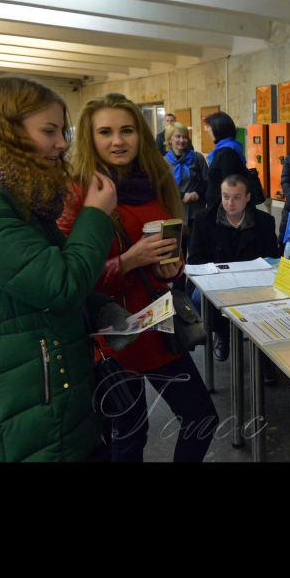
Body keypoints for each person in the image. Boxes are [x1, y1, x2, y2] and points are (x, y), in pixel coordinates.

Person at [59, 92, 218, 463]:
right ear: (89, 137)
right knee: (129, 436)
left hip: (158, 325)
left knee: (201, 418)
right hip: (112, 336)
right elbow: (70, 278)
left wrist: (172, 266)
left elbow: (172, 251)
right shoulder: (78, 192)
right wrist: (128, 262)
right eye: (106, 132)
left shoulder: (154, 180)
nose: (118, 140)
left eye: (127, 130)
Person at [0, 76, 120, 462]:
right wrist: (95, 216)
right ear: (8, 131)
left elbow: (20, 288)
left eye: (62, 131)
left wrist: (97, 307)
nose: (62, 143)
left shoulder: (13, 191)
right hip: (18, 415)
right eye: (49, 131)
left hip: (43, 397)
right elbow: (59, 283)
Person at [188, 174, 281, 361]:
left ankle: (263, 350)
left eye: (236, 197)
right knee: (198, 297)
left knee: (275, 295)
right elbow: (196, 258)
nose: (229, 203)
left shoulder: (264, 221)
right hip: (215, 278)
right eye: (225, 196)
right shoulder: (203, 219)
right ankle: (222, 333)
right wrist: (222, 273)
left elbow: (273, 259)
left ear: (247, 198)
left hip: (252, 279)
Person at [164, 121, 208, 232]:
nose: (181, 140)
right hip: (174, 212)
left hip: (196, 211)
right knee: (177, 247)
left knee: (196, 247)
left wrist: (197, 193)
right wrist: (182, 195)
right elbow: (162, 187)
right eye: (177, 137)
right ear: (170, 139)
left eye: (184, 137)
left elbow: (207, 181)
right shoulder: (162, 162)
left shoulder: (197, 158)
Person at [204, 110, 249, 207]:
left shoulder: (227, 153)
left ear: (217, 129)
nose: (208, 131)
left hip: (224, 210)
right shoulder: (225, 149)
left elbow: (230, 186)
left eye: (210, 127)